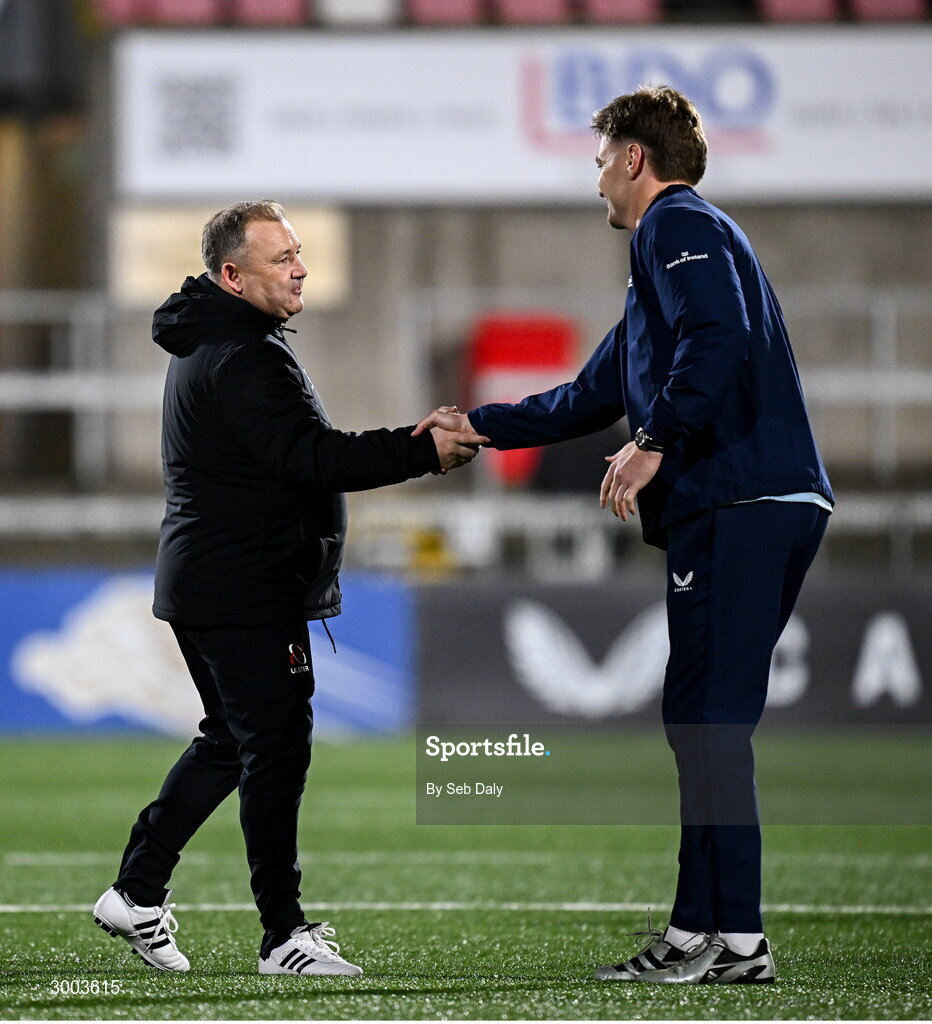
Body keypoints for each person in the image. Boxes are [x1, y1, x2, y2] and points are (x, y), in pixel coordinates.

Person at [414, 86, 833, 985]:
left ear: (636, 159)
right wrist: (474, 426)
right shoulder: (664, 275)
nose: (597, 177)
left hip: (740, 501)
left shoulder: (675, 226)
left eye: (602, 159)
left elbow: (717, 339)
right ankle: (699, 934)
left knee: (711, 723)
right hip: (750, 500)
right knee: (701, 723)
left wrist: (652, 443)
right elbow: (581, 397)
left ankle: (739, 942)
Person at [93, 200, 484, 977]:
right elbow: (315, 459)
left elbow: (292, 457)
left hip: (210, 581)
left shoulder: (214, 341)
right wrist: (424, 452)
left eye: (299, 252)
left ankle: (136, 893)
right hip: (243, 589)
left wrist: (412, 442)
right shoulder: (245, 355)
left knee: (234, 740)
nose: (300, 267)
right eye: (281, 258)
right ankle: (284, 936)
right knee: (274, 748)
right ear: (233, 276)